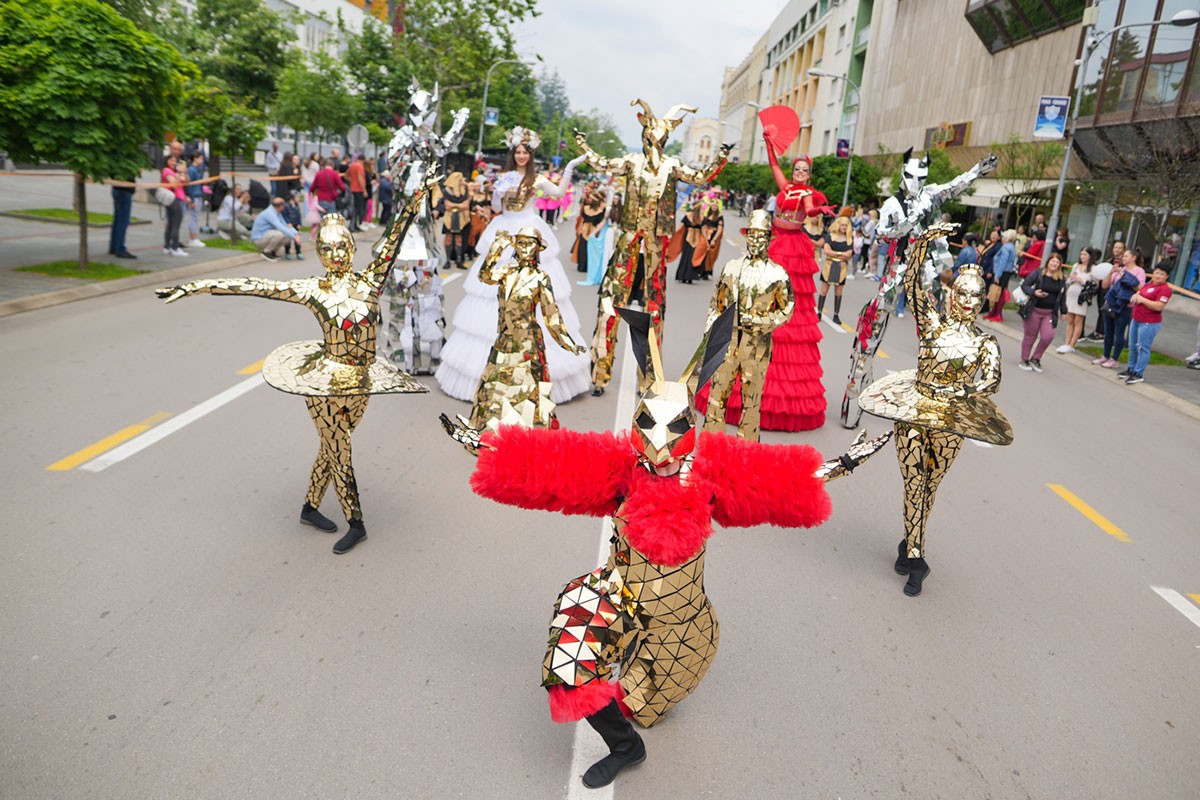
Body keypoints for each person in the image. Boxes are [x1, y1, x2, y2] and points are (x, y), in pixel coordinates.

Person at [441, 308, 889, 790]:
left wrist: (838, 466)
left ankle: (636, 707)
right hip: (622, 595)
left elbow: (774, 480)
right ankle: (625, 748)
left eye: (672, 429)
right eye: (648, 426)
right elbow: (554, 468)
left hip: (682, 624)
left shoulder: (711, 470)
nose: (657, 446)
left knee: (641, 707)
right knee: (567, 667)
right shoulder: (621, 466)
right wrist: (489, 451)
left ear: (689, 428)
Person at [155, 172, 436, 556]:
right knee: (340, 446)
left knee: (333, 444)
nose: (336, 255)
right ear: (320, 252)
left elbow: (395, 236)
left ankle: (309, 508)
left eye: (342, 247)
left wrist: (419, 194)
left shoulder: (371, 280)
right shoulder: (311, 290)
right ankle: (357, 522)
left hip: (361, 381)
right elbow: (258, 285)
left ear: (352, 248)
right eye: (328, 249)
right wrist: (196, 286)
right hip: (325, 382)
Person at [859, 223, 1012, 596]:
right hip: (914, 411)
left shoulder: (985, 343)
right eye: (962, 293)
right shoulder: (933, 325)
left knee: (929, 486)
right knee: (914, 483)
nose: (967, 302)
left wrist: (964, 390)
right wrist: (923, 242)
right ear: (951, 292)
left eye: (975, 297)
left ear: (981, 301)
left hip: (951, 419)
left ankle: (907, 542)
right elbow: (911, 285)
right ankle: (917, 557)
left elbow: (991, 380)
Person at [574, 99, 731, 394]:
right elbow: (602, 163)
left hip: (656, 245)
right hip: (628, 240)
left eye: (661, 140)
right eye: (651, 139)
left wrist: (721, 157)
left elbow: (700, 178)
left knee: (655, 310)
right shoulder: (631, 163)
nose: (655, 144)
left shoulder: (671, 166)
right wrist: (583, 146)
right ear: (644, 137)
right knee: (609, 304)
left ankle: (649, 377)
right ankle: (599, 373)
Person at [436, 127, 592, 404]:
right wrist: (500, 193)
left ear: (530, 155)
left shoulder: (538, 179)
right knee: (492, 292)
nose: (521, 156)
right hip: (504, 231)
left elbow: (558, 193)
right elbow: (496, 205)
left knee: (536, 294)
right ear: (513, 154)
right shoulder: (504, 178)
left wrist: (569, 166)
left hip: (529, 231)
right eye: (517, 152)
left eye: (525, 152)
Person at [469, 228, 586, 430]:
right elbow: (484, 275)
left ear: (538, 248)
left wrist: (567, 342)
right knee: (493, 387)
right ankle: (492, 433)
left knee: (528, 392)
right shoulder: (507, 272)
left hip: (529, 344)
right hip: (505, 340)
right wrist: (497, 247)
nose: (525, 248)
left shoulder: (541, 277)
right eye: (520, 243)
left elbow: (552, 315)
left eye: (530, 243)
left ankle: (529, 438)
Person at [693, 210, 795, 441]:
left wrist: (761, 322)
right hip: (726, 341)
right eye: (752, 235)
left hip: (757, 345)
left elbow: (787, 309)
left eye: (761, 236)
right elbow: (716, 304)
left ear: (769, 239)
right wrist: (709, 335)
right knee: (717, 396)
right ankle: (712, 447)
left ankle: (746, 454)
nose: (756, 240)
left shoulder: (777, 274)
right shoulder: (730, 266)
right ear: (746, 236)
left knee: (751, 402)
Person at [752, 142, 831, 431]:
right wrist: (770, 144)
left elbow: (809, 212)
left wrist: (819, 209)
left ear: (809, 175)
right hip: (776, 241)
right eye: (796, 169)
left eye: (804, 170)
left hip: (793, 246)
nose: (799, 173)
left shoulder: (807, 194)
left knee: (791, 303)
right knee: (763, 293)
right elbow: (774, 166)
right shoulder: (785, 188)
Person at [1093, 246, 1146, 369]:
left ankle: (1115, 358)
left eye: (1126, 256)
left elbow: (1140, 288)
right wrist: (1111, 272)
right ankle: (1105, 355)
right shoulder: (1120, 269)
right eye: (1123, 256)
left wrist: (1126, 277)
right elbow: (1106, 285)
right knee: (1108, 331)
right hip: (1112, 302)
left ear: (1133, 258)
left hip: (1125, 305)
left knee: (1119, 331)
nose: (1123, 258)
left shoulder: (1139, 271)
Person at [1124, 262, 1173, 385]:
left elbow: (1159, 306)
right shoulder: (1149, 284)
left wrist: (1143, 300)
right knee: (1133, 346)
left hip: (1149, 322)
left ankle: (1138, 373)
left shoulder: (1165, 289)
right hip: (1136, 319)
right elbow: (1139, 293)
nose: (1158, 276)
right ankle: (1131, 369)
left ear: (1166, 276)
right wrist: (1135, 296)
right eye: (1157, 273)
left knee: (1143, 347)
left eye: (1162, 274)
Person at [1017, 252, 1067, 372]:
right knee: (1030, 336)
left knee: (1048, 336)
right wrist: (1034, 292)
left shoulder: (1061, 279)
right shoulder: (1038, 273)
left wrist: (1064, 311)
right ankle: (1024, 359)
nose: (1054, 264)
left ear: (1060, 265)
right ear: (1048, 262)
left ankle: (1036, 358)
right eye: (1052, 261)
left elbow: (1062, 296)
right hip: (1034, 310)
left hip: (1049, 313)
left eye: (1057, 262)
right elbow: (1025, 285)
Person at [1056, 246, 1101, 354]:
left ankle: (1072, 344)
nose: (1082, 257)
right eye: (1081, 254)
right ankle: (1067, 343)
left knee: (1078, 320)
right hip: (1072, 293)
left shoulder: (1094, 269)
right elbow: (1069, 280)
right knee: (1070, 319)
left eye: (1085, 254)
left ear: (1090, 256)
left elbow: (1095, 286)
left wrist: (1082, 281)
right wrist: (1071, 279)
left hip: (1082, 296)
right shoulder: (1076, 266)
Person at [818, 208, 854, 324]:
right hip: (829, 265)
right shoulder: (831, 236)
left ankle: (836, 315)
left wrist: (836, 254)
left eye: (846, 225)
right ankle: (819, 312)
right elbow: (826, 251)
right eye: (842, 225)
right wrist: (840, 254)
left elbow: (849, 254)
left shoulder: (849, 239)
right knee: (824, 290)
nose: (844, 227)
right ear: (838, 225)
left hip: (841, 267)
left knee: (838, 292)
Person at [250, 196, 302, 262]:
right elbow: (280, 227)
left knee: (288, 236)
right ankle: (266, 252)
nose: (285, 207)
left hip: (267, 236)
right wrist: (295, 237)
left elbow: (286, 225)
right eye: (284, 205)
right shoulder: (270, 213)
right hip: (259, 239)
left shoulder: (277, 213)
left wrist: (296, 234)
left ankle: (273, 251)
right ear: (280, 206)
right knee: (279, 234)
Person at [439, 171, 471, 270]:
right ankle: (447, 260)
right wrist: (458, 206)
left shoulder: (464, 191)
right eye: (460, 180)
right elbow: (446, 205)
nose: (462, 182)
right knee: (448, 237)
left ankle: (458, 260)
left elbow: (466, 205)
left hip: (461, 217)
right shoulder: (447, 191)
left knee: (459, 239)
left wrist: (454, 205)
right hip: (449, 217)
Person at [983, 229, 1017, 321]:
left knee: (999, 293)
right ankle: (994, 312)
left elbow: (1003, 262)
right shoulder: (1011, 247)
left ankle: (997, 313)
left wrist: (997, 275)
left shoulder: (1006, 247)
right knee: (1000, 292)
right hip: (1006, 271)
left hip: (1002, 272)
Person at [572, 185, 607, 276]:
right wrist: (579, 229)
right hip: (584, 229)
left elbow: (600, 221)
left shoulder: (600, 210)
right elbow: (583, 217)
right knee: (582, 248)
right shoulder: (586, 208)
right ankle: (581, 266)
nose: (590, 201)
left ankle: (588, 266)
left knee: (590, 249)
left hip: (593, 231)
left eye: (592, 200)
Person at [671, 201, 706, 284]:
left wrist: (673, 235)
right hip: (694, 238)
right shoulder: (701, 217)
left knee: (686, 256)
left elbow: (681, 227)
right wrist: (706, 241)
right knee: (692, 257)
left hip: (688, 238)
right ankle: (689, 277)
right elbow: (703, 231)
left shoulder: (689, 216)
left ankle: (683, 276)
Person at [161, 155, 188, 257]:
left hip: (177, 198)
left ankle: (167, 246)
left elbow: (186, 181)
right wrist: (179, 173)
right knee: (175, 224)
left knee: (171, 224)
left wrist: (184, 172)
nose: (173, 162)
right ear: (167, 161)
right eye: (171, 160)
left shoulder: (173, 172)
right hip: (174, 199)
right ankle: (175, 247)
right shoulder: (167, 171)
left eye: (175, 161)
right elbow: (174, 184)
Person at [107, 178, 137, 259]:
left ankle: (114, 247)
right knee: (123, 221)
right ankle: (120, 249)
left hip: (117, 189)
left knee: (117, 220)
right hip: (124, 191)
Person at [185, 152, 206, 248]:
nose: (201, 161)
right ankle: (192, 238)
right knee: (193, 217)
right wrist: (192, 199)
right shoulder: (192, 170)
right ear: (195, 158)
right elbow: (190, 185)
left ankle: (194, 237)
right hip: (195, 196)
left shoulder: (198, 169)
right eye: (200, 158)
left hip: (199, 195)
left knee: (196, 217)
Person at [700, 197, 724, 280]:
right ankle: (700, 271)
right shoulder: (707, 215)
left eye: (715, 206)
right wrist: (704, 237)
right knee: (702, 252)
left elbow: (720, 229)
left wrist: (714, 239)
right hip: (705, 235)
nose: (714, 207)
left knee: (710, 254)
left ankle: (707, 271)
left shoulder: (719, 216)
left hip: (713, 236)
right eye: (712, 206)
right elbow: (703, 226)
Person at [345, 154, 367, 232]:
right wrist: (364, 190)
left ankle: (354, 225)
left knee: (354, 208)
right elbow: (360, 178)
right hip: (358, 190)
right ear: (363, 160)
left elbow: (346, 175)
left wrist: (351, 181)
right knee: (358, 209)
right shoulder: (360, 167)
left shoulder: (352, 165)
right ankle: (353, 226)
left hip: (352, 189)